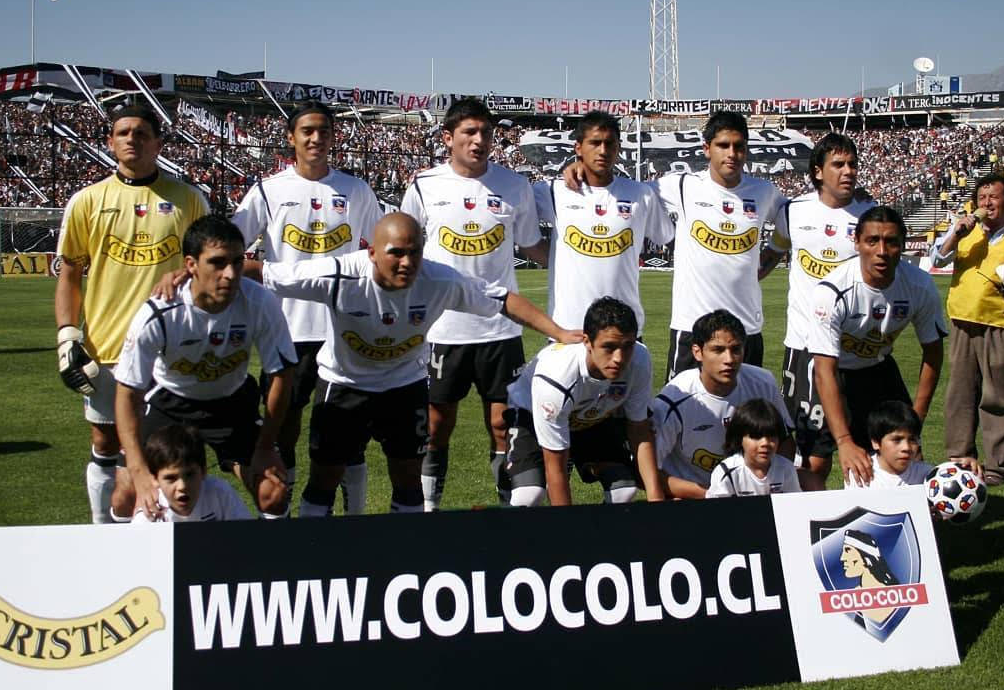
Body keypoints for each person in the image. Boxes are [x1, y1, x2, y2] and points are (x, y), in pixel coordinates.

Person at [262, 212, 580, 514]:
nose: (407, 263)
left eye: (414, 253)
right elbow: (263, 273)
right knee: (323, 480)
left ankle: (405, 554)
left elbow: (504, 300)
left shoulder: (439, 280)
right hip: (344, 385)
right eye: (396, 253)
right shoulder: (338, 275)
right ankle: (317, 556)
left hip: (404, 387)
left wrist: (559, 332)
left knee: (408, 481)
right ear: (372, 252)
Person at [54, 104, 209, 523]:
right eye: (123, 132)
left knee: (165, 444)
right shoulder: (87, 201)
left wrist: (183, 271)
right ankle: (103, 530)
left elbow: (208, 261)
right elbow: (70, 273)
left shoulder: (188, 199)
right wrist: (68, 335)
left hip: (171, 348)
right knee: (105, 442)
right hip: (107, 345)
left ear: (158, 143)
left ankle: (168, 531)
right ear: (110, 141)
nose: (131, 139)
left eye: (141, 133)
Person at [232, 101, 383, 514]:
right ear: (291, 138)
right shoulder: (268, 190)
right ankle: (283, 514)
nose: (316, 138)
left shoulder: (356, 190)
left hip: (344, 328)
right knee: (282, 427)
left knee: (346, 430)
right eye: (307, 131)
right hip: (286, 329)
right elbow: (229, 249)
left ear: (334, 136)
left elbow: (382, 250)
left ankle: (353, 516)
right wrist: (267, 273)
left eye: (324, 131)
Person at [400, 98, 548, 511]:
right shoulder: (424, 185)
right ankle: (429, 511)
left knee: (502, 425)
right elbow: (405, 246)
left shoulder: (514, 186)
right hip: (442, 329)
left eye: (485, 132)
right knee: (436, 425)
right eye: (469, 132)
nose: (479, 140)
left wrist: (579, 261)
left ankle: (505, 511)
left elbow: (532, 245)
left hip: (501, 328)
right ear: (448, 137)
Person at [565, 111, 786, 380]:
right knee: (682, 414)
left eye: (739, 146)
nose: (732, 153)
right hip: (691, 326)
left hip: (746, 327)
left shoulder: (764, 192)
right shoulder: (681, 186)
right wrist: (580, 168)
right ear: (707, 149)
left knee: (745, 416)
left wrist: (768, 259)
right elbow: (623, 191)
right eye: (723, 145)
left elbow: (791, 226)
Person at [114, 216, 295, 520]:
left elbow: (282, 375)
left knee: (273, 492)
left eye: (238, 262)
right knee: (126, 494)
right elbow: (127, 392)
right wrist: (138, 469)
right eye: (218, 262)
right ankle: (118, 562)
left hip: (232, 403)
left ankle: (276, 565)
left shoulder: (260, 302)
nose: (230, 273)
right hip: (169, 402)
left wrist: (265, 447)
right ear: (191, 264)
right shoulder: (159, 312)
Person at [760, 133, 874, 490]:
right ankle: (807, 523)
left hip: (856, 350)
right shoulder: (793, 212)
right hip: (805, 346)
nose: (848, 171)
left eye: (852, 164)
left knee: (866, 443)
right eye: (838, 164)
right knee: (813, 453)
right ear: (818, 171)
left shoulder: (870, 215)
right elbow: (770, 257)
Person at [807, 206, 947, 487]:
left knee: (904, 454)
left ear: (902, 246)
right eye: (872, 241)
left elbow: (933, 352)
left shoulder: (919, 286)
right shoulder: (832, 291)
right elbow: (825, 369)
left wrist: (915, 422)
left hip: (879, 369)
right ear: (856, 242)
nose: (882, 251)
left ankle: (907, 520)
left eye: (891, 241)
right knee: (816, 462)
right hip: (832, 373)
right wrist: (844, 441)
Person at [504, 297, 665, 507]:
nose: (619, 357)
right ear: (587, 342)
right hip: (532, 416)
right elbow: (556, 470)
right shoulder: (556, 380)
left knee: (624, 491)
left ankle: (601, 537)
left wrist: (656, 501)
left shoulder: (640, 359)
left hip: (590, 417)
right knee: (529, 496)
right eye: (609, 347)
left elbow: (639, 430)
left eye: (627, 346)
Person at [534, 111, 671, 335]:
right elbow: (513, 212)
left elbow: (667, 237)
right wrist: (548, 256)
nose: (603, 150)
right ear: (578, 148)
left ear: (618, 147)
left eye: (609, 143)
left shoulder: (641, 194)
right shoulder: (553, 191)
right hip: (568, 330)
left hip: (625, 331)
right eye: (595, 143)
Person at [652, 309, 794, 498]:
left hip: (751, 486)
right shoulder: (673, 400)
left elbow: (785, 441)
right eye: (718, 350)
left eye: (736, 349)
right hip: (695, 493)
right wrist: (712, 493)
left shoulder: (763, 383)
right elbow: (650, 472)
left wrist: (772, 480)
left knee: (811, 481)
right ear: (697, 352)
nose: (729, 360)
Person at [930, 173, 1004, 486]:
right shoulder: (965, 230)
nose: (987, 204)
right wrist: (956, 233)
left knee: (995, 396)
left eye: (995, 197)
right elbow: (937, 256)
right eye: (982, 198)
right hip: (961, 320)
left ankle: (997, 465)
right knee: (959, 392)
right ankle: (959, 456)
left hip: (996, 323)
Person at [844, 400, 983, 489]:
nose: (906, 448)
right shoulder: (860, 474)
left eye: (912, 440)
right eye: (897, 440)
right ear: (875, 442)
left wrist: (966, 468)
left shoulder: (926, 475)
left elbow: (951, 478)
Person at [131, 424, 252, 523]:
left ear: (203, 471)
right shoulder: (147, 513)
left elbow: (246, 537)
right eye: (171, 478)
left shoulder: (221, 494)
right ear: (154, 479)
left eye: (189, 475)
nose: (182, 486)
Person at [705, 398, 801, 497]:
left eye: (772, 436)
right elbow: (716, 510)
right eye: (756, 436)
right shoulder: (726, 472)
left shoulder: (786, 469)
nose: (765, 443)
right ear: (740, 438)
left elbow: (794, 506)